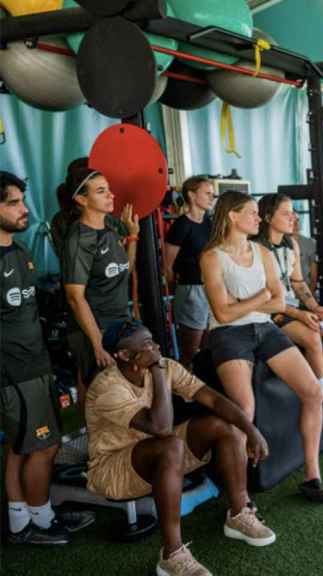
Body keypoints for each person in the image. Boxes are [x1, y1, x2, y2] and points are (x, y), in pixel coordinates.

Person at [86, 322, 274, 575]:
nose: (155, 348)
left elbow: (213, 399)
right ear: (124, 355)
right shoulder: (107, 387)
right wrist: (157, 372)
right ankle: (171, 554)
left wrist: (251, 430)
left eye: (152, 340)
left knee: (224, 426)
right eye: (146, 345)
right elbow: (161, 427)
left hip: (158, 451)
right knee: (170, 444)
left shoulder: (164, 365)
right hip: (114, 468)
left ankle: (239, 514)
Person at [199, 190, 323, 502]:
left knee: (313, 392)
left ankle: (312, 475)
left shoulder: (264, 253)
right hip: (228, 334)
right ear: (232, 216)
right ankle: (240, 497)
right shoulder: (212, 257)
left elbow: (279, 300)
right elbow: (223, 313)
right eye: (252, 213)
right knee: (245, 409)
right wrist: (260, 299)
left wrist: (247, 302)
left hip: (264, 327)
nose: (259, 218)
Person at [2, 172, 95, 545]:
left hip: (34, 365)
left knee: (19, 446)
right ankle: (39, 518)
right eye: (13, 202)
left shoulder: (19, 251)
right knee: (44, 445)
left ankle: (21, 519)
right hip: (14, 371)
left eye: (23, 200)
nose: (25, 209)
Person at [255, 194, 323, 416]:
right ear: (267, 217)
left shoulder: (290, 242)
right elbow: (265, 299)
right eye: (286, 213)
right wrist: (301, 315)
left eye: (293, 211)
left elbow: (297, 281)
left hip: (292, 306)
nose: (293, 217)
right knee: (312, 335)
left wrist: (314, 307)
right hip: (270, 311)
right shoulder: (256, 248)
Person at [61, 165, 140, 389]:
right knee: (101, 394)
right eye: (101, 191)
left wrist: (132, 236)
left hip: (118, 323)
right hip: (95, 328)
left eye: (109, 189)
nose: (111, 195)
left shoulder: (111, 229)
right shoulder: (80, 239)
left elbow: (123, 269)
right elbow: (75, 297)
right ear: (81, 200)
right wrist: (97, 344)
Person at [164, 176, 214, 367]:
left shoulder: (210, 223)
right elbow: (168, 265)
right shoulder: (181, 225)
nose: (212, 197)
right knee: (190, 350)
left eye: (212, 194)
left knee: (210, 346)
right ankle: (185, 392)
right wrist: (176, 289)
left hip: (211, 288)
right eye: (207, 193)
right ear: (192, 195)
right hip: (191, 290)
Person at [291, 216, 318, 294]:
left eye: (298, 220)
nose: (296, 224)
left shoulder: (310, 243)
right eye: (293, 220)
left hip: (305, 291)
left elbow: (313, 278)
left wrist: (310, 295)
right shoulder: (279, 243)